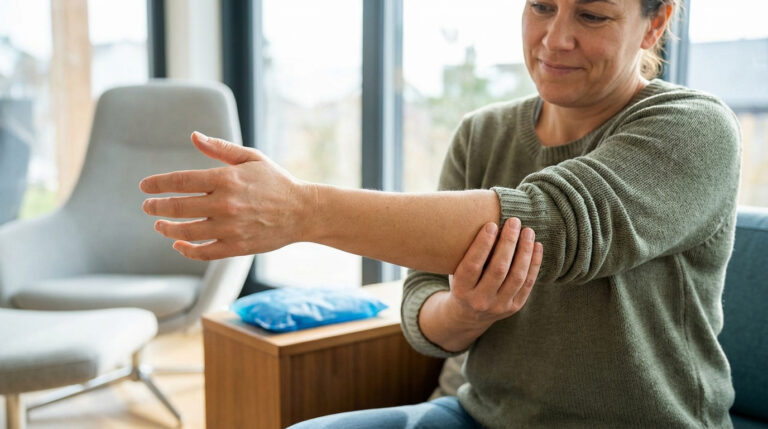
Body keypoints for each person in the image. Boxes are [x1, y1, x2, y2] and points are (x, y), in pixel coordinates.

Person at [140, 0, 742, 426]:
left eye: (592, 15)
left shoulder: (694, 128)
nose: (556, 38)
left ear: (653, 23)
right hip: (482, 416)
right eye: (540, 6)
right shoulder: (481, 134)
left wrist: (304, 210)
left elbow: (553, 222)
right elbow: (420, 308)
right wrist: (463, 312)